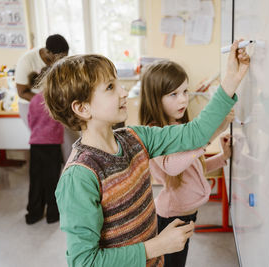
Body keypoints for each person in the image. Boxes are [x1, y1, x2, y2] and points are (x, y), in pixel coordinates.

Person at [41, 39, 249, 266]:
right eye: (110, 87)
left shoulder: (136, 137)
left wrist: (231, 80)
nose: (124, 91)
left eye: (118, 83)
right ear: (82, 108)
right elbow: (84, 262)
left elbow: (194, 134)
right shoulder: (79, 176)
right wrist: (158, 246)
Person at [139, 60, 234, 267]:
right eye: (173, 94)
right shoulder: (154, 132)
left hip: (187, 213)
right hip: (170, 216)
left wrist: (222, 157)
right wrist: (211, 135)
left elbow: (195, 169)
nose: (183, 99)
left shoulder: (179, 126)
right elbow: (173, 166)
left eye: (185, 91)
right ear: (155, 98)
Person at [15, 34, 79, 164]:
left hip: (55, 103)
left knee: (71, 138)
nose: (62, 60)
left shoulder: (61, 61)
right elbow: (22, 92)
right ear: (47, 52)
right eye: (59, 58)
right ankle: (57, 173)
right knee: (48, 143)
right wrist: (49, 101)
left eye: (64, 56)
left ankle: (72, 167)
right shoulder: (27, 61)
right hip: (32, 106)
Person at [25, 69, 64, 224]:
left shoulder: (34, 100)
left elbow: (30, 121)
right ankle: (53, 215)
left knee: (36, 181)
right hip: (52, 145)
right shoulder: (56, 100)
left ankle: (33, 214)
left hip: (35, 145)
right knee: (52, 181)